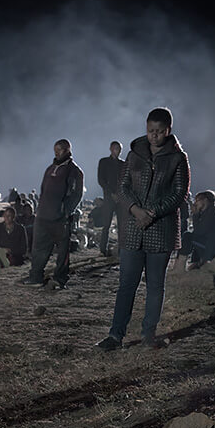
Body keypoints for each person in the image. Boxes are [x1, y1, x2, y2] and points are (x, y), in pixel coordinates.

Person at [97, 107, 189, 351]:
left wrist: (153, 213)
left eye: (159, 132)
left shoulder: (178, 158)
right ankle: (115, 336)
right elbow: (123, 186)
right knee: (127, 284)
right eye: (151, 131)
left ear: (168, 131)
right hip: (133, 229)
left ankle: (149, 335)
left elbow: (179, 193)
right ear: (146, 129)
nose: (154, 136)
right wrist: (135, 210)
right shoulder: (135, 153)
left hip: (161, 230)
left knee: (155, 285)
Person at [23, 139, 84, 288]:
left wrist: (65, 211)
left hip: (60, 218)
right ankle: (36, 276)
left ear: (67, 150)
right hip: (43, 215)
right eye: (55, 150)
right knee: (38, 248)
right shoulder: (50, 169)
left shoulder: (74, 171)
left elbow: (76, 195)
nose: (56, 153)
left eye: (59, 150)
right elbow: (43, 190)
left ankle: (60, 278)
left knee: (63, 250)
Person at [97, 141, 125, 256]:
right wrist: (111, 193)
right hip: (109, 198)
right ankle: (103, 249)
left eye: (118, 149)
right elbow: (101, 180)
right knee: (106, 224)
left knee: (121, 225)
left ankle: (121, 249)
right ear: (110, 149)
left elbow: (125, 181)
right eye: (114, 148)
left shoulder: (123, 164)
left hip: (120, 199)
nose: (116, 151)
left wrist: (120, 195)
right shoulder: (104, 162)